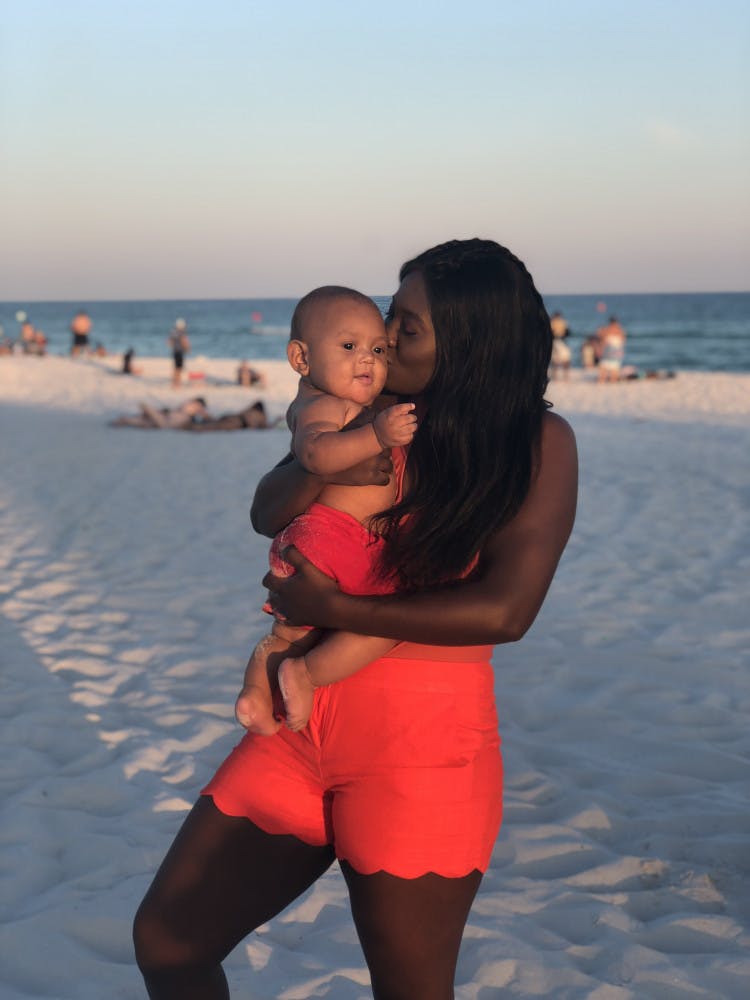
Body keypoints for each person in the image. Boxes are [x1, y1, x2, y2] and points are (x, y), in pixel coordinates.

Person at [133, 238, 578, 1000]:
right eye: (386, 317)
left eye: (404, 326)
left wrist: (336, 608)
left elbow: (508, 610)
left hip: (422, 752)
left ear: (467, 341)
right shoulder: (361, 412)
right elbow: (265, 509)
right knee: (169, 939)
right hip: (300, 731)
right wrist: (333, 451)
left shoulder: (535, 442)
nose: (383, 338)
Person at [235, 286, 417, 736]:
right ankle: (307, 674)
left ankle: (256, 699)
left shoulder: (348, 403)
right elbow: (314, 455)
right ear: (301, 359)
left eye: (377, 350)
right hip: (333, 536)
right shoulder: (321, 404)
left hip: (317, 540)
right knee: (396, 615)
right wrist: (376, 436)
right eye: (350, 347)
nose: (370, 359)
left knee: (287, 635)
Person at [596, 315, 627, 383]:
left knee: (603, 370)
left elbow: (602, 340)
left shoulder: (607, 330)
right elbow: (623, 341)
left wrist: (599, 349)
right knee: (614, 370)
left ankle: (602, 382)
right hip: (617, 351)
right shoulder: (620, 330)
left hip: (608, 350)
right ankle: (612, 382)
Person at [168, 319, 191, 388]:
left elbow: (169, 342)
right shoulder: (181, 332)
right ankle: (178, 383)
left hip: (175, 351)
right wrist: (187, 348)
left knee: (175, 368)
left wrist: (174, 346)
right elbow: (184, 340)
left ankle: (174, 382)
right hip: (180, 351)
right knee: (179, 368)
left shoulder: (173, 332)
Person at [549, 310, 572, 380]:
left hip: (557, 341)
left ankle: (556, 375)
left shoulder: (553, 323)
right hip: (559, 341)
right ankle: (563, 375)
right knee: (564, 358)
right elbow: (568, 332)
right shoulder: (560, 323)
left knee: (556, 359)